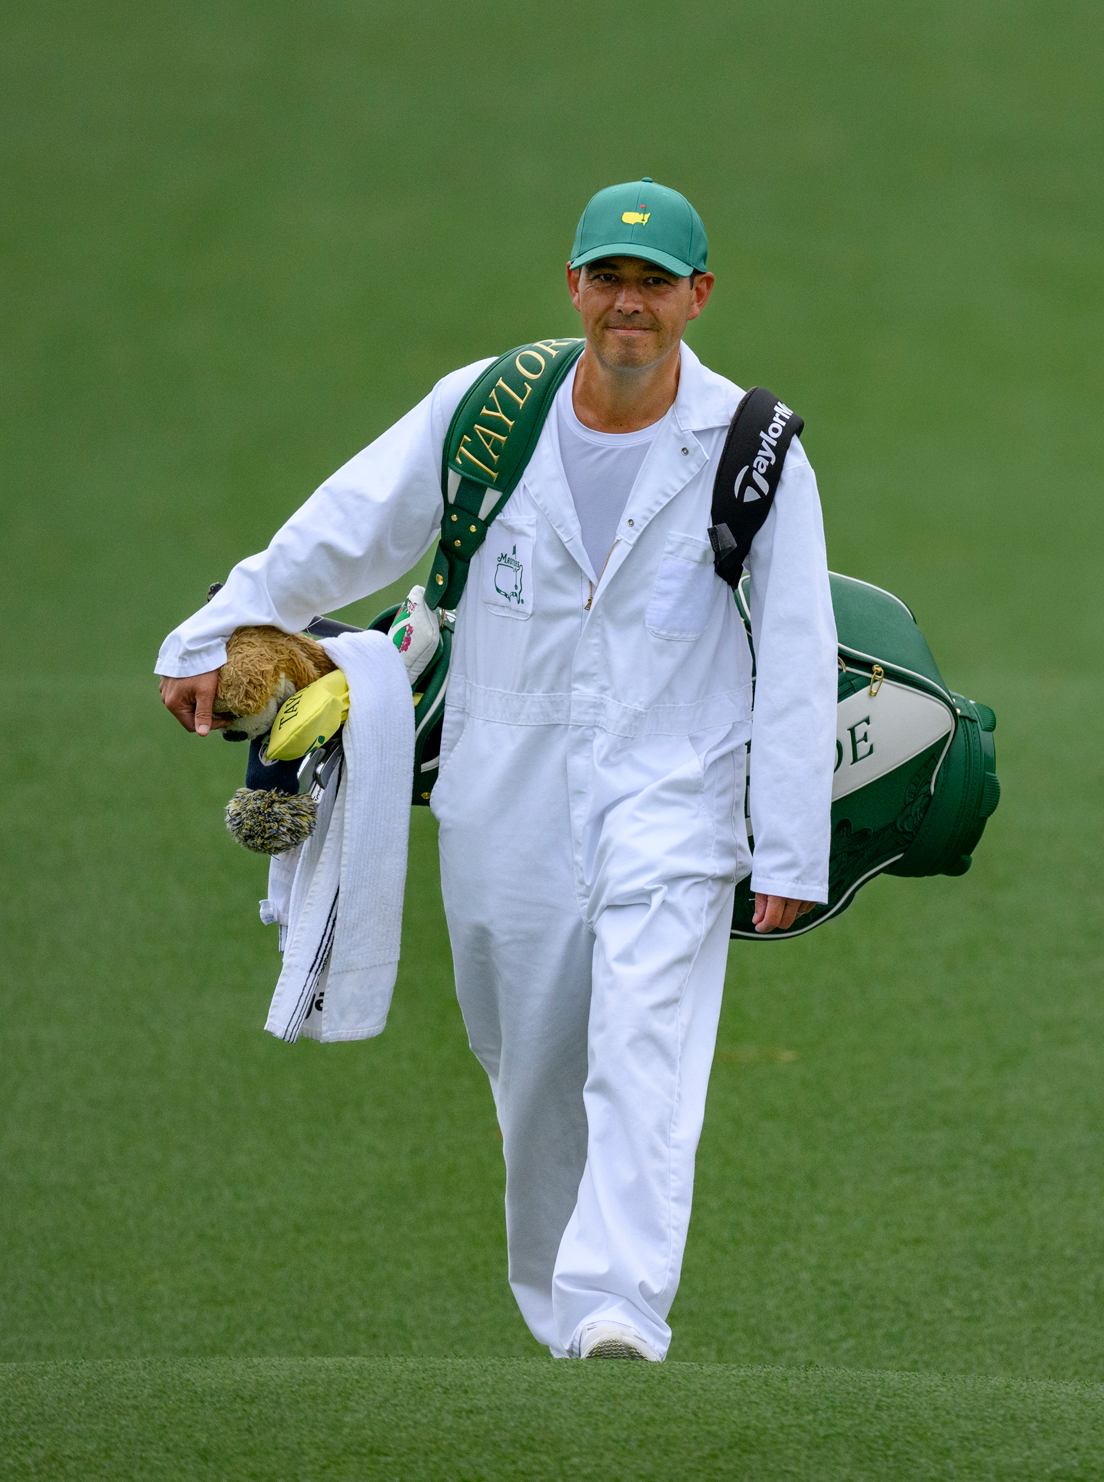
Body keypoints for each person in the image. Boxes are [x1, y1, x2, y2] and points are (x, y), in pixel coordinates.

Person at [155, 178, 836, 1363]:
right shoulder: (486, 409)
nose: (631, 305)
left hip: (672, 790)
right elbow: (348, 527)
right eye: (610, 280)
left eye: (656, 284)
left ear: (698, 296)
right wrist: (218, 630)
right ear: (575, 286)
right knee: (529, 1064)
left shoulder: (751, 447)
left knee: (643, 1038)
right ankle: (558, 1306)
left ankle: (620, 1299)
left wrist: (788, 847)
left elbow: (796, 647)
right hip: (500, 788)